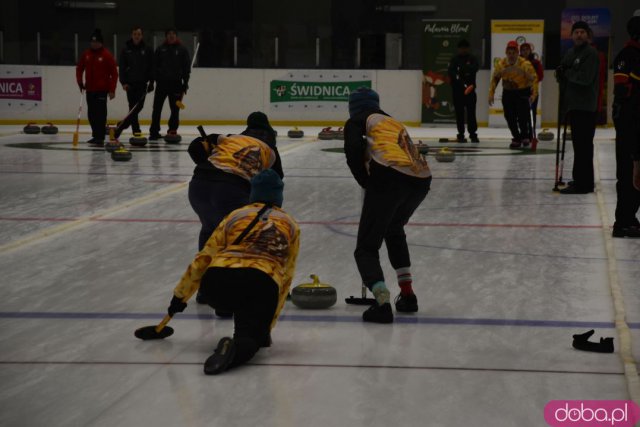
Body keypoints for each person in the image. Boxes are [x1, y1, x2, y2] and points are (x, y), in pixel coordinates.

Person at [165, 169, 300, 375]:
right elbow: (286, 275)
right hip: (260, 281)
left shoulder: (234, 216)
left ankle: (233, 314)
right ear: (279, 195)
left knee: (236, 297)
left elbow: (203, 259)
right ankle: (235, 348)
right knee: (251, 339)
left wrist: (179, 298)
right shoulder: (290, 224)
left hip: (217, 282)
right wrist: (266, 328)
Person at [343, 88, 432, 324]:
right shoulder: (392, 121)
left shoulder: (356, 120)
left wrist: (367, 182)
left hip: (388, 175)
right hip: (420, 178)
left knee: (366, 248)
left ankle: (382, 303)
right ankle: (408, 294)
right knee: (393, 229)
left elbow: (353, 153)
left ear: (354, 106)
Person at [188, 112, 284, 304]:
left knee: (209, 231)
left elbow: (194, 147)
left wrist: (206, 159)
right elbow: (274, 183)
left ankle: (205, 289)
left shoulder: (230, 138)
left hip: (198, 186)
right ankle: (230, 292)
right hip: (230, 190)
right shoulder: (270, 149)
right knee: (239, 239)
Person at [555, 21, 600, 194]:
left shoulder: (591, 53)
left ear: (587, 35)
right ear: (572, 35)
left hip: (585, 106)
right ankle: (581, 178)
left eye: (582, 32)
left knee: (584, 146)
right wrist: (560, 73)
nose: (579, 35)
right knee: (578, 145)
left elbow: (585, 78)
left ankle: (584, 184)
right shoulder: (570, 52)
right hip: (573, 105)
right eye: (576, 32)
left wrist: (566, 73)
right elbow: (563, 72)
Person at [611, 16, 640, 238]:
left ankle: (629, 218)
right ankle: (624, 221)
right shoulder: (628, 56)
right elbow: (622, 92)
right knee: (629, 173)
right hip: (632, 126)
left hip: (632, 124)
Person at [489, 40, 538, 149]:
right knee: (509, 116)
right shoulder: (501, 64)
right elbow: (495, 79)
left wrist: (533, 94)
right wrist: (491, 93)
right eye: (509, 53)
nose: (511, 55)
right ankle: (516, 137)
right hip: (508, 93)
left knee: (523, 117)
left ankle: (525, 135)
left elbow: (534, 79)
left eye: (514, 53)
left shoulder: (525, 64)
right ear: (506, 53)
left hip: (522, 92)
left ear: (517, 53)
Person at [75, 29, 118, 146]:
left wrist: (112, 90)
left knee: (100, 114)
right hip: (90, 90)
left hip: (102, 90)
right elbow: (79, 68)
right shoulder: (87, 54)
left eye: (96, 42)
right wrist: (80, 82)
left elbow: (114, 74)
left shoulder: (107, 55)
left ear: (101, 43)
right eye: (92, 42)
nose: (94, 44)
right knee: (91, 114)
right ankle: (95, 135)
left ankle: (100, 137)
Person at [149, 28, 190, 141]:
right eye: (169, 34)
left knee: (175, 109)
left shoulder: (182, 50)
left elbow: (186, 68)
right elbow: (154, 66)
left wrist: (185, 82)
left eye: (173, 34)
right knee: (157, 108)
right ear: (166, 36)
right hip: (161, 84)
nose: (171, 36)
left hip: (176, 84)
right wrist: (152, 81)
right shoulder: (160, 49)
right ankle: (154, 131)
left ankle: (172, 129)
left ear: (176, 36)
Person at [116, 26, 153, 139]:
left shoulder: (147, 49)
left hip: (142, 83)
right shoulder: (126, 49)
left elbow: (152, 66)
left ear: (141, 36)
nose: (136, 36)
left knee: (138, 106)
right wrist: (123, 83)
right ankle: (136, 130)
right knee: (133, 107)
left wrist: (152, 81)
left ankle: (122, 126)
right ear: (132, 35)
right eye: (135, 34)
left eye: (139, 34)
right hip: (130, 84)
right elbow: (122, 67)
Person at [447, 39, 479, 143]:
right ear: (458, 49)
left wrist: (461, 70)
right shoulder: (454, 59)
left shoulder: (472, 58)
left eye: (465, 48)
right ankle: (461, 134)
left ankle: (473, 134)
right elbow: (452, 73)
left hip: (470, 91)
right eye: (461, 48)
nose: (463, 50)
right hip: (458, 92)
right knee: (459, 113)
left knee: (471, 113)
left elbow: (473, 69)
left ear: (468, 48)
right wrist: (463, 73)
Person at [519, 43, 544, 143]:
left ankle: (531, 135)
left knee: (531, 113)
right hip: (520, 91)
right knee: (521, 114)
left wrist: (531, 80)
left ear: (530, 51)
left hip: (532, 91)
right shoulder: (518, 62)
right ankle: (523, 134)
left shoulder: (536, 62)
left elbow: (541, 76)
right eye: (523, 50)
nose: (525, 51)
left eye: (527, 49)